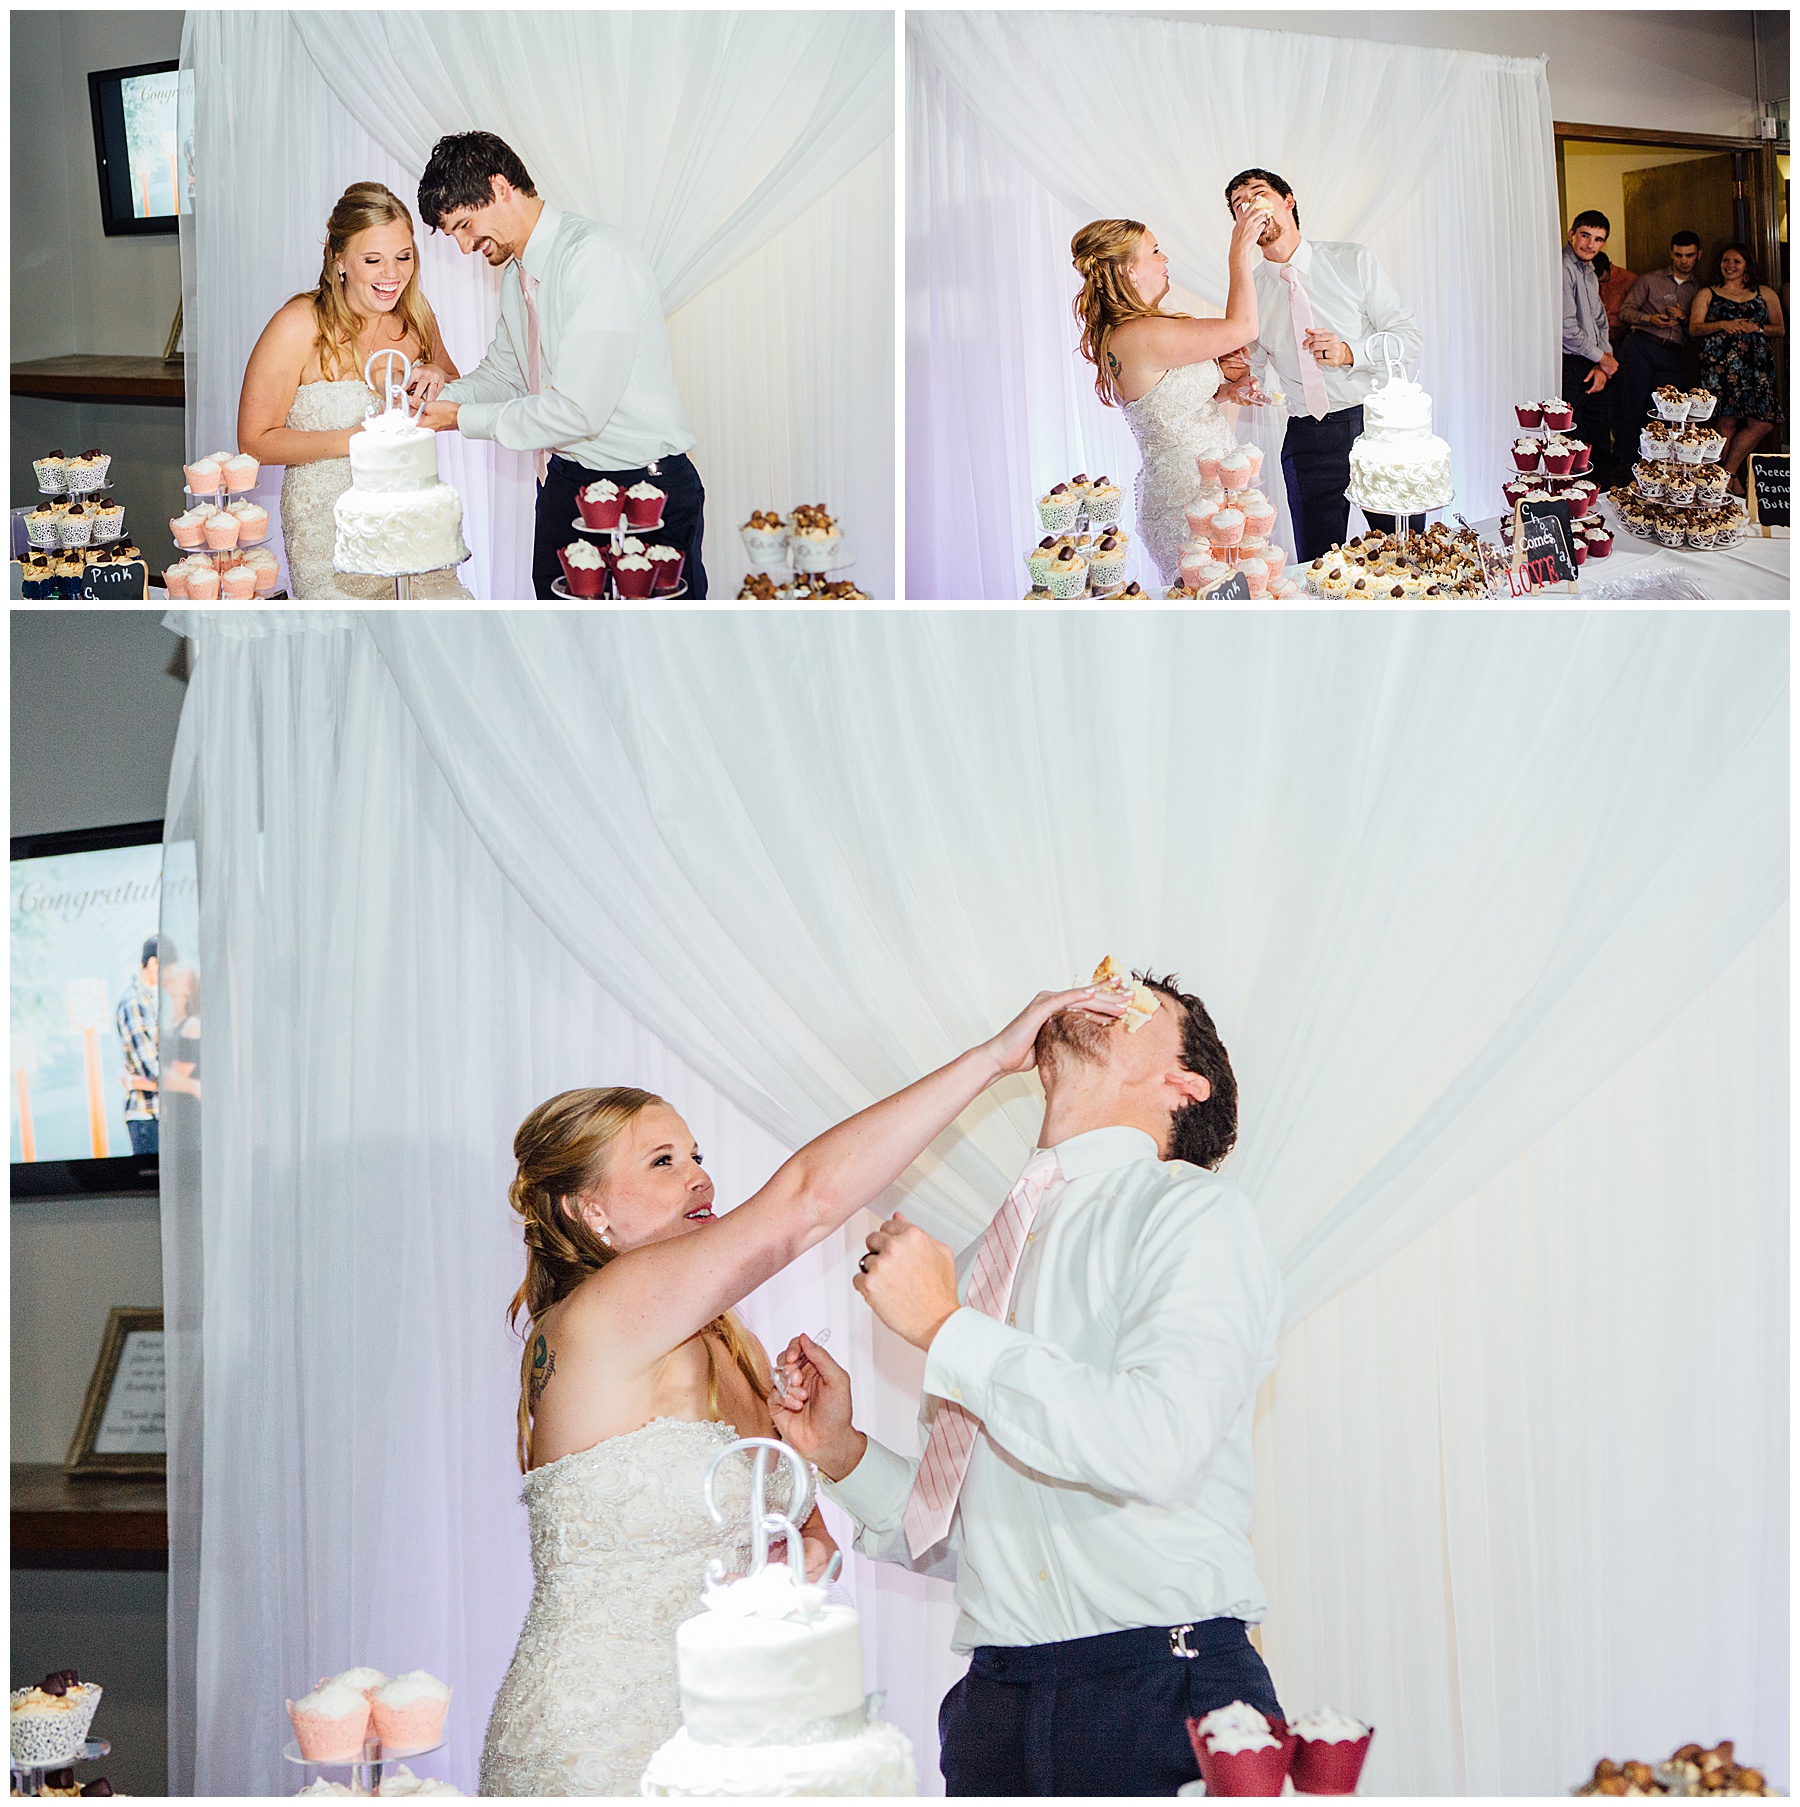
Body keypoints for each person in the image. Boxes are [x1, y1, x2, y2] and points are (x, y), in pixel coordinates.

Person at [477, 982, 1127, 1795]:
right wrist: (993, 1059)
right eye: (663, 1161)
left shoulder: (720, 1341)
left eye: (698, 1155)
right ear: (589, 1210)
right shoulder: (603, 1313)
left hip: (724, 1733)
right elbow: (806, 1202)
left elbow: (800, 1548)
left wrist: (816, 1461)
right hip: (598, 1744)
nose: (698, 1178)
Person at [774, 970, 1284, 1797]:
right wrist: (841, 1450)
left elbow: (1156, 1446)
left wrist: (946, 1329)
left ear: (1184, 1083)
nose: (1106, 996)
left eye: (1141, 1004)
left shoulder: (1195, 1217)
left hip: (1168, 1694)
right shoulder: (977, 1265)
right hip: (996, 1713)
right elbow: (970, 1535)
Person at [412, 132, 707, 599]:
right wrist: (440, 398)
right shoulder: (516, 275)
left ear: (501, 187)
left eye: (465, 226)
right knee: (561, 648)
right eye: (454, 235)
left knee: (653, 655)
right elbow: (506, 375)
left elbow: (578, 410)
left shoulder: (595, 260)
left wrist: (462, 419)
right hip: (564, 482)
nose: (465, 246)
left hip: (644, 490)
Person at [238, 183, 472, 600]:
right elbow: (255, 442)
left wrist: (436, 372)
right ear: (339, 259)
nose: (393, 274)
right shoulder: (297, 325)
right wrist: (359, 440)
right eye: (373, 260)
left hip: (412, 530)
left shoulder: (417, 318)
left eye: (404, 257)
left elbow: (451, 392)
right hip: (329, 536)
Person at [1227, 169, 1426, 557]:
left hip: (1376, 428)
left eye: (1258, 195)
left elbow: (1410, 339)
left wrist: (1351, 352)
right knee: (1317, 569)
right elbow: (1248, 365)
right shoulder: (1249, 291)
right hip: (1307, 439)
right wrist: (1242, 379)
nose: (1250, 208)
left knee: (1407, 555)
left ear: (1288, 200)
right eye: (1239, 206)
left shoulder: (1353, 260)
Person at [1068, 213, 1264, 588]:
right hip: (1190, 507)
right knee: (1220, 613)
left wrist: (1224, 390)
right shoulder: (1142, 333)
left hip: (1207, 496)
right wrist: (1239, 250)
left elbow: (1166, 407)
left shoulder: (1126, 332)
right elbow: (1244, 327)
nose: (1165, 259)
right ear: (1129, 271)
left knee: (1228, 613)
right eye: (1155, 251)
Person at [1689, 242, 1786, 496]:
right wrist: (1722, 324)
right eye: (1725, 261)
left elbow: (1780, 328)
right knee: (1727, 421)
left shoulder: (1764, 292)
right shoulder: (1708, 293)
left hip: (1756, 367)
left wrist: (1758, 328)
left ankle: (1728, 472)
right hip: (1721, 366)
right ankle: (1721, 483)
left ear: (1747, 266)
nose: (1729, 266)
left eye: (1736, 261)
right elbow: (1694, 328)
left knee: (1763, 423)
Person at [1617, 232, 1701, 446]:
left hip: (1675, 353)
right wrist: (1651, 319)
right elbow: (1625, 312)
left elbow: (1699, 329)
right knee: (1633, 406)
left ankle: (1659, 464)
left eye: (1689, 255)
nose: (1684, 260)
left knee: (1667, 410)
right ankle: (1628, 463)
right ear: (1671, 254)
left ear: (1698, 255)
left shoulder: (1700, 289)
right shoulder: (1649, 280)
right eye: (1679, 255)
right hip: (1642, 344)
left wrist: (1684, 318)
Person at [1561, 211, 1619, 488]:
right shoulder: (1562, 267)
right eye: (1585, 235)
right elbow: (1566, 329)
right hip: (1570, 364)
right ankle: (1581, 509)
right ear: (1572, 233)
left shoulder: (1590, 269)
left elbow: (1600, 322)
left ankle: (1603, 506)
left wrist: (1602, 364)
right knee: (1577, 443)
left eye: (1598, 239)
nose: (1590, 244)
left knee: (1600, 440)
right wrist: (1602, 358)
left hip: (1593, 364)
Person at [114, 937, 160, 1155]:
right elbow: (153, 1070)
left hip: (156, 1115)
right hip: (148, 1117)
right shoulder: (135, 1001)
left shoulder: (149, 999)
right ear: (153, 963)